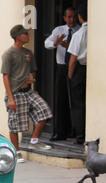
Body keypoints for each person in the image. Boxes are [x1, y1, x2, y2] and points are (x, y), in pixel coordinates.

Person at [2, 25, 53, 163]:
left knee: (44, 111)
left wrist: (31, 77)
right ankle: (16, 152)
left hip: (29, 92)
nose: (28, 35)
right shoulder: (8, 54)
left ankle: (34, 140)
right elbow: (5, 76)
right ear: (18, 36)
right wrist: (10, 99)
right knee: (15, 125)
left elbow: (32, 70)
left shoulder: (28, 53)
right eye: (25, 33)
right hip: (16, 93)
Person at [44, 7, 80, 141]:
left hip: (76, 67)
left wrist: (70, 46)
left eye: (73, 17)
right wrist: (55, 43)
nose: (71, 20)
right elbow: (46, 43)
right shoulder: (59, 30)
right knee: (60, 99)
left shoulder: (80, 30)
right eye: (69, 17)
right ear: (64, 18)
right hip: (61, 68)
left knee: (75, 100)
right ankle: (59, 132)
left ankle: (75, 131)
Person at [68, 4, 88, 145]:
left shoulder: (79, 34)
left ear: (80, 17)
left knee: (78, 104)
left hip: (80, 70)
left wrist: (70, 76)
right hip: (91, 68)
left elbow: (73, 59)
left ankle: (80, 135)